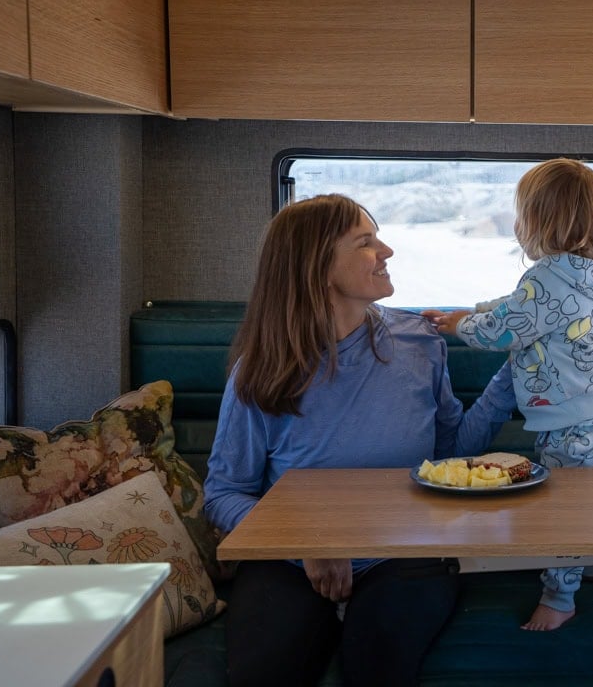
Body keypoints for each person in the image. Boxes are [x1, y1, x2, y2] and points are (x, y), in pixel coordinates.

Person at [203, 194, 517, 687]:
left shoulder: (420, 341)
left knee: (378, 666)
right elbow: (223, 493)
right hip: (292, 558)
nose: (387, 251)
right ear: (319, 267)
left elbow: (453, 454)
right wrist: (306, 543)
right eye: (366, 242)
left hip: (405, 552)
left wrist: (515, 371)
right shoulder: (259, 373)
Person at [422, 158, 593, 632]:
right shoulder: (588, 273)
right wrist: (476, 307)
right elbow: (521, 306)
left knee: (565, 508)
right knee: (588, 498)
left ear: (535, 222)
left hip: (575, 419)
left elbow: (502, 330)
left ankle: (560, 598)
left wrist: (461, 325)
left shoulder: (546, 278)